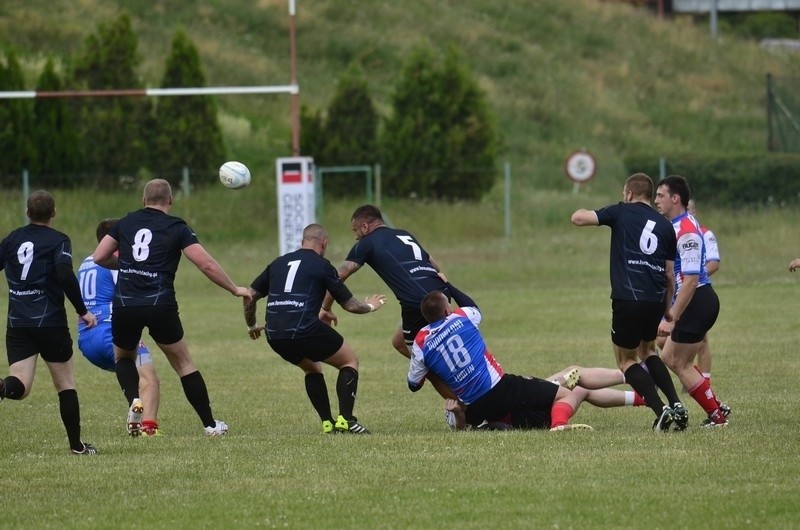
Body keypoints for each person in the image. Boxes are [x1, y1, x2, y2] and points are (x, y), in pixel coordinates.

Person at [93, 178, 251, 437]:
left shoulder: (125, 222)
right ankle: (210, 425)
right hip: (160, 304)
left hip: (126, 303)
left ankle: (134, 399)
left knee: (123, 357)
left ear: (143, 201)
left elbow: (99, 256)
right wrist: (234, 289)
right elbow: (206, 264)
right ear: (170, 201)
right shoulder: (177, 227)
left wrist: (131, 269)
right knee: (184, 364)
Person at [244, 224, 387, 434]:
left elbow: (249, 295)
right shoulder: (322, 265)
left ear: (302, 242)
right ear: (324, 244)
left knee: (312, 368)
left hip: (274, 334)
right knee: (349, 361)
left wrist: (252, 325)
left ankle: (327, 423)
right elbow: (350, 305)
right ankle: (346, 420)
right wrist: (371, 306)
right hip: (303, 330)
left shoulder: (278, 263)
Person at [571, 172, 685, 431]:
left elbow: (578, 218)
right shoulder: (667, 225)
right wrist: (667, 309)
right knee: (649, 351)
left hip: (627, 298)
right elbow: (669, 275)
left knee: (626, 361)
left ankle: (661, 411)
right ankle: (677, 403)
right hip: (655, 300)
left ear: (630, 194)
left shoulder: (620, 211)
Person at [320, 204, 460, 399]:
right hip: (440, 293)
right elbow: (431, 262)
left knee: (425, 363)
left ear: (366, 226)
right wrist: (443, 288)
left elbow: (339, 275)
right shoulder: (404, 234)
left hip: (417, 303)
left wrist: (325, 307)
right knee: (399, 341)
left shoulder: (366, 243)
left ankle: (463, 407)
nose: (355, 236)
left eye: (356, 230)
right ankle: (454, 378)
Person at [409, 288, 594, 432]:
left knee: (542, 406)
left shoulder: (420, 343)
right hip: (500, 388)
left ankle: (552, 397)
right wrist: (448, 285)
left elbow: (414, 385)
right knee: (568, 394)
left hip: (474, 405)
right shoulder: (461, 317)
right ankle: (559, 424)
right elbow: (473, 307)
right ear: (447, 309)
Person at [0, 190, 98, 455]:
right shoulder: (59, 241)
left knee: (19, 385)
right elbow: (65, 274)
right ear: (53, 213)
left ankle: (0, 387)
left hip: (18, 323)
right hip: (50, 323)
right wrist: (82, 310)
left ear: (27, 213)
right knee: (65, 383)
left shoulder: (11, 240)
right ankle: (76, 447)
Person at [654, 175, 729, 427]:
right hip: (696, 300)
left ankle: (717, 416)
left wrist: (672, 316)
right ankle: (717, 408)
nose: (656, 201)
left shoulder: (686, 231)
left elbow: (691, 280)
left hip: (697, 300)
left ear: (675, 198)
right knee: (670, 357)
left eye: (661, 195)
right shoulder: (678, 224)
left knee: (677, 360)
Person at [77, 218, 161, 436]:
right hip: (109, 332)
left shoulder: (86, 262)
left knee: (129, 370)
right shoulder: (114, 263)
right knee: (149, 377)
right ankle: (148, 428)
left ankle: (134, 405)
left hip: (86, 339)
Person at [443, 365, 647, 431]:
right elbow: (462, 429)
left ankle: (641, 391)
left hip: (522, 404)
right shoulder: (452, 402)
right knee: (578, 388)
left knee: (572, 373)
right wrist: (459, 412)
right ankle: (637, 379)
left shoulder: (481, 382)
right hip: (525, 416)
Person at [686, 199, 720, 384]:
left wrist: (691, 279)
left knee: (702, 340)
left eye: (689, 210)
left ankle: (703, 381)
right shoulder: (673, 232)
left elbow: (714, 264)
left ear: (695, 211)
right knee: (660, 340)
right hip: (675, 293)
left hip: (695, 291)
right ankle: (689, 373)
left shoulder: (705, 234)